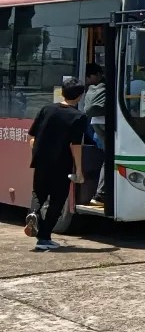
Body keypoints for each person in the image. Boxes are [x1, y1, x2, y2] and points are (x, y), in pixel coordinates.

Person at [25, 77, 87, 251]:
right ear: (80, 96)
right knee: (57, 200)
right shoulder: (79, 116)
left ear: (62, 92)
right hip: (61, 164)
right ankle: (44, 238)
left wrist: (38, 153)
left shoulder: (47, 109)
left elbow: (31, 137)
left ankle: (33, 213)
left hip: (40, 161)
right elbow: (75, 145)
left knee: (38, 193)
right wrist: (79, 170)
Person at [84, 63, 108, 206]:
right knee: (109, 158)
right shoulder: (106, 85)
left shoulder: (90, 89)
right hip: (106, 124)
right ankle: (101, 194)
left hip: (95, 123)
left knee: (106, 155)